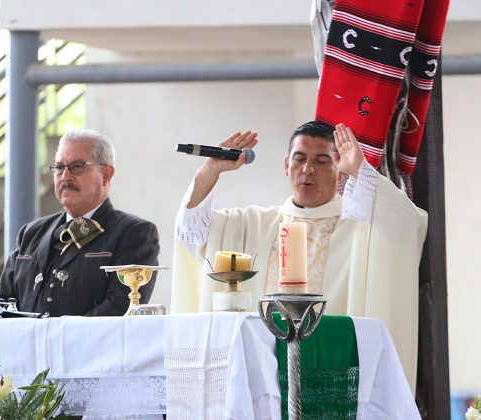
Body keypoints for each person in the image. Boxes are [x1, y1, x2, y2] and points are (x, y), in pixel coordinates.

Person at [171, 121, 427, 389]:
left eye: (322, 160)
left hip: (332, 377)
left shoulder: (359, 226)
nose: (308, 170)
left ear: (339, 169)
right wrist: (211, 169)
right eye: (300, 159)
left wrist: (361, 172)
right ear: (286, 165)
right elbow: (191, 232)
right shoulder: (253, 224)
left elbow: (408, 225)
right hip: (260, 376)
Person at [0, 129, 159, 317]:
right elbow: (4, 303)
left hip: (90, 346)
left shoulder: (135, 233)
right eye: (59, 168)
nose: (65, 176)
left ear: (106, 174)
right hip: (26, 346)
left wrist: (56, 336)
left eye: (77, 166)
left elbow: (120, 308)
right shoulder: (31, 233)